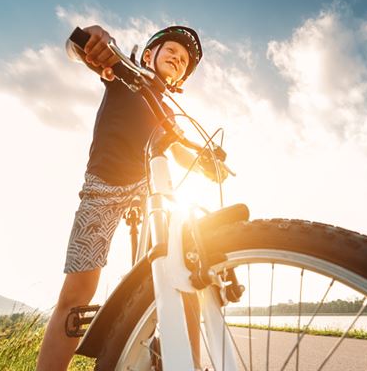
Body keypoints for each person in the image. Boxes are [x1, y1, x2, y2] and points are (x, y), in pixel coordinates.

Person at [36, 25, 226, 371]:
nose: (178, 60)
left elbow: (181, 151)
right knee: (77, 295)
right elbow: (76, 48)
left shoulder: (167, 112)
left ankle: (192, 365)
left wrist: (209, 162)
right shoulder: (124, 75)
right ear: (149, 54)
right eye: (172, 52)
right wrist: (93, 44)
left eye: (184, 61)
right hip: (103, 186)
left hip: (147, 190)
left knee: (185, 265)